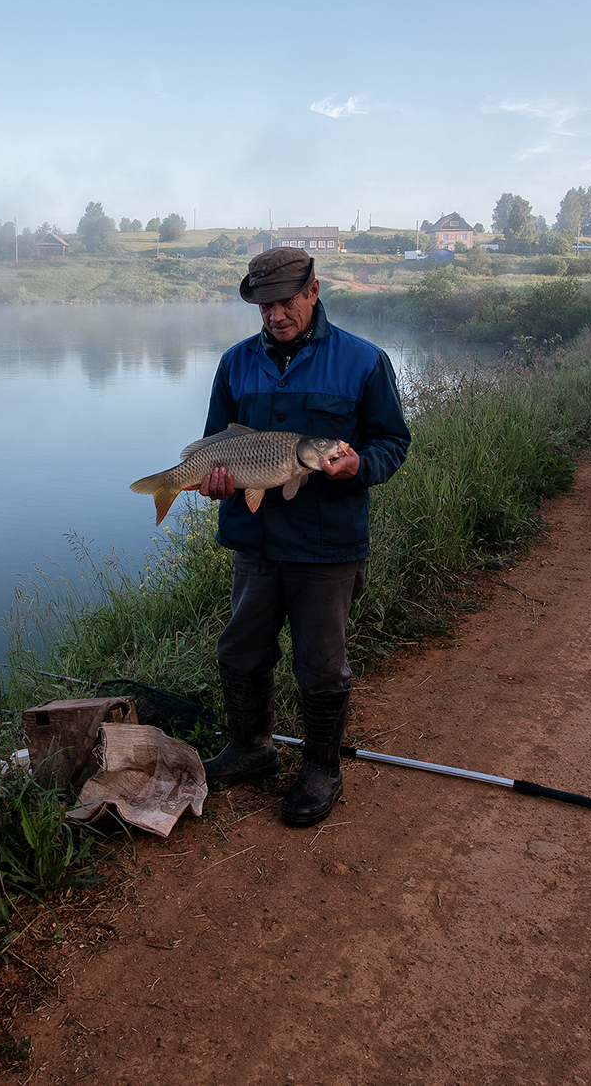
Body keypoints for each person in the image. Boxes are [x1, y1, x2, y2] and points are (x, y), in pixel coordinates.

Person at [199, 247, 410, 826]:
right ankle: (251, 749)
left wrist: (358, 466)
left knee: (321, 665)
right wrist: (217, 483)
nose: (274, 316)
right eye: (264, 306)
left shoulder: (364, 362)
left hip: (327, 545)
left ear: (314, 291)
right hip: (255, 541)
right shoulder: (234, 364)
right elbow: (216, 444)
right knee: (241, 653)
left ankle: (321, 769)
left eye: (284, 302)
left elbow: (393, 443)